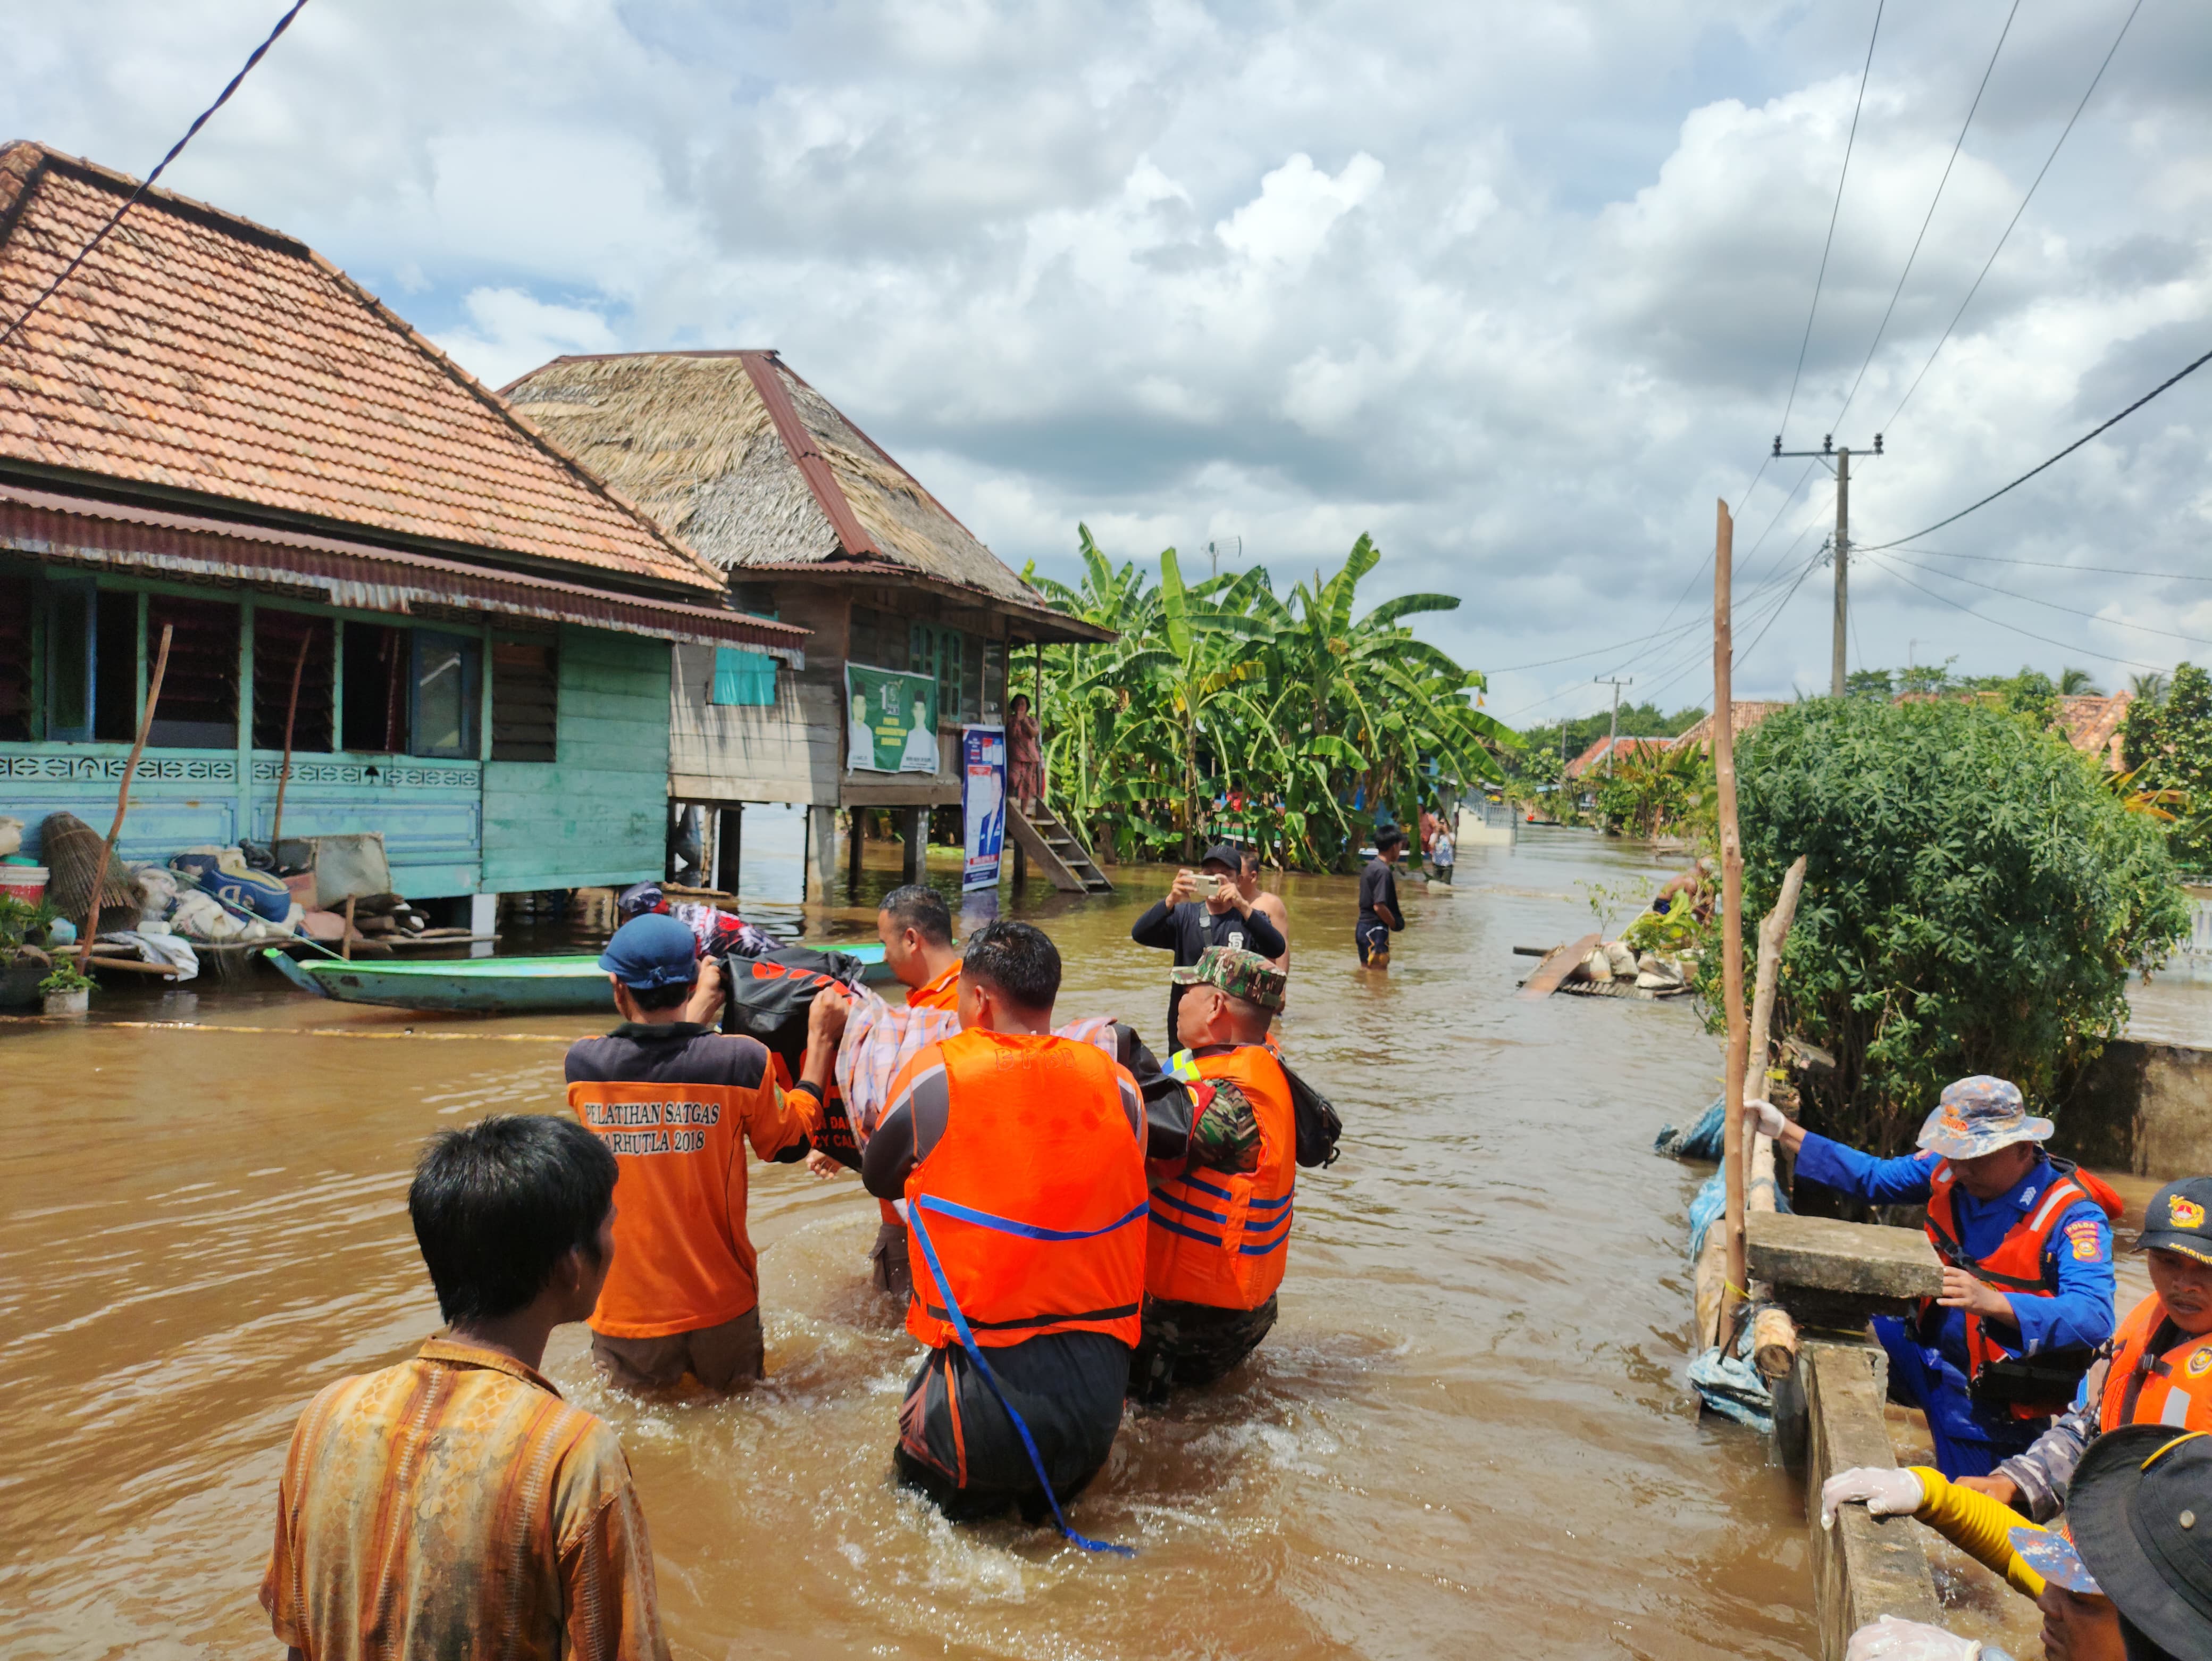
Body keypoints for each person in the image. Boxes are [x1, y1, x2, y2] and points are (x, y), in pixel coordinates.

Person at [260, 1115, 671, 1660]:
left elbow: (299, 1642)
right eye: (608, 1226)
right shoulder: (572, 1454)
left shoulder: (327, 1415)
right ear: (572, 1266)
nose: (614, 1242)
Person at [860, 920, 1149, 1529]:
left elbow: (878, 1177)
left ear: (980, 1001)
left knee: (906, 1528)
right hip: (1098, 1401)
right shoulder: (1120, 1087)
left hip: (982, 1404)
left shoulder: (937, 1074)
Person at [1822, 1176, 2212, 1601]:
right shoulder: (2147, 1326)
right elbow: (2088, 1428)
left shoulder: (2074, 1217)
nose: (2184, 1284)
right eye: (2169, 1262)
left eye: (2206, 1268)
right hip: (2097, 1580)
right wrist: (2014, 1483)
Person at [1749, 1076, 2118, 1479]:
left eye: (1974, 1157)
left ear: (2022, 1149)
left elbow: (2094, 1315)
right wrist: (1784, 1129)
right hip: (1922, 1353)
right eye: (1954, 1153)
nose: (1959, 1168)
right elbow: (1874, 1176)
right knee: (1822, 1327)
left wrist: (1994, 1302)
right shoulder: (1948, 1169)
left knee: (1970, 1514)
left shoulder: (2073, 1217)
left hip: (1988, 1400)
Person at [564, 912, 840, 1392]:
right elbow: (790, 1143)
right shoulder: (741, 1061)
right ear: (691, 982)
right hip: (721, 1304)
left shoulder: (585, 1066)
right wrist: (820, 1042)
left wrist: (698, 1011)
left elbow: (661, 1069)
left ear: (617, 987)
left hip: (627, 1313)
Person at [1840, 1422, 2212, 1661]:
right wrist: (1931, 1493)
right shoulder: (2114, 1604)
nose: (2046, 1601)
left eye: (2078, 1597)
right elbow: (2027, 1553)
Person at [1132, 946, 1297, 1401]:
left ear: (1216, 1006)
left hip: (1186, 1325)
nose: (1178, 1000)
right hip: (1246, 1311)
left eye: (1187, 990)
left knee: (1151, 1434)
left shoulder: (1227, 1104)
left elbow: (1127, 1140)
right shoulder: (1268, 1068)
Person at [858, 884, 963, 1300]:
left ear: (911, 939)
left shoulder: (951, 1009)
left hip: (922, 1217)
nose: (883, 955)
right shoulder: (975, 995)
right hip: (941, 1211)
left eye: (885, 942)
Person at [1130, 842, 1287, 1050]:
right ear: (1199, 878)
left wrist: (1242, 905)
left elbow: (1276, 947)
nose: (1216, 880)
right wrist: (1170, 900)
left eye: (1224, 875)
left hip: (1234, 1032)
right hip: (1188, 1027)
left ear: (1238, 881)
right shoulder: (1183, 915)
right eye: (1209, 874)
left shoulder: (1250, 919)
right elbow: (1140, 934)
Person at [1356, 828, 1409, 969]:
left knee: (1368, 972)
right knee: (1378, 979)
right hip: (1375, 930)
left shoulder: (1371, 867)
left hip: (1363, 928)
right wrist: (1394, 923)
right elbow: (1379, 906)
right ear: (1394, 847)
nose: (1400, 850)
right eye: (1400, 846)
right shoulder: (1383, 872)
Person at [1236, 849, 1290, 974]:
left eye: (1238, 872)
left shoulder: (1271, 904)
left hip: (1262, 977)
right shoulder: (1224, 902)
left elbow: (1283, 950)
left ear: (1253, 876)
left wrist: (1280, 988)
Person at [1007, 691, 1043, 814]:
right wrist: (1017, 721)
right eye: (1018, 704)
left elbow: (1034, 733)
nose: (1020, 707)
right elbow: (1011, 734)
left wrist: (1025, 722)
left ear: (1027, 707)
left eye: (1022, 704)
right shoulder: (1011, 720)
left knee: (1027, 787)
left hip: (1030, 757)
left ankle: (1023, 812)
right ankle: (1010, 804)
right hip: (1015, 756)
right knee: (1013, 779)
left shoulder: (1031, 720)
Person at [1428, 819, 1455, 887]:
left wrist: (1446, 832)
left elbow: (1452, 843)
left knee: (1446, 886)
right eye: (1440, 823)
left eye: (1443, 824)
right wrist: (1437, 834)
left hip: (1447, 866)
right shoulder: (1433, 836)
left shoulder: (1451, 835)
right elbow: (1432, 846)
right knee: (1436, 886)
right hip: (1437, 865)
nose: (1441, 825)